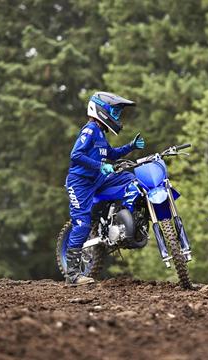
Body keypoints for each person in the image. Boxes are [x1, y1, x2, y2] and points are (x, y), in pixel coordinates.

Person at [65, 91, 145, 285]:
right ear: (102, 110)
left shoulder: (100, 133)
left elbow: (111, 154)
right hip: (80, 183)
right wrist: (99, 166)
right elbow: (75, 155)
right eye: (115, 113)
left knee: (128, 178)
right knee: (82, 224)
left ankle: (125, 222)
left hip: (98, 179)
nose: (117, 117)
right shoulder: (90, 130)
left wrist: (130, 146)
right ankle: (73, 275)